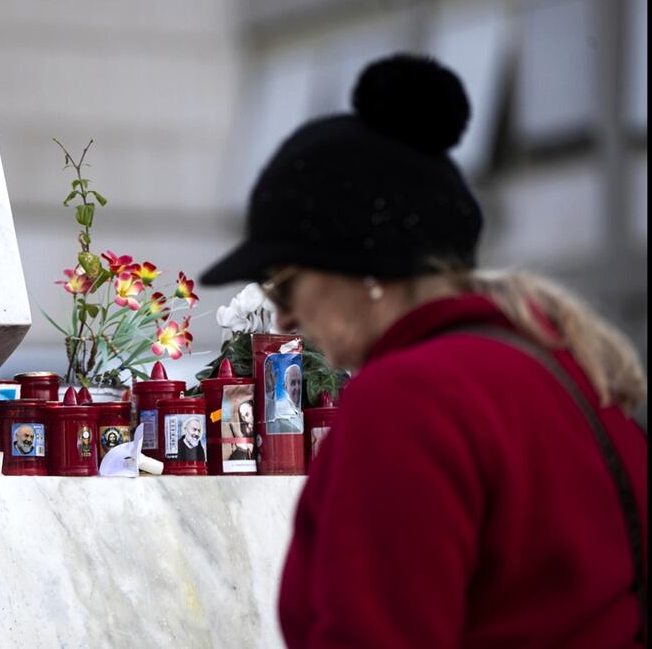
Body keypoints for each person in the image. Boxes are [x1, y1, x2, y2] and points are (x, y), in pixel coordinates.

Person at [201, 54, 648, 647]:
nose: (281, 315)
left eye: (282, 282)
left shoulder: (407, 398)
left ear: (362, 267)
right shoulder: (567, 364)